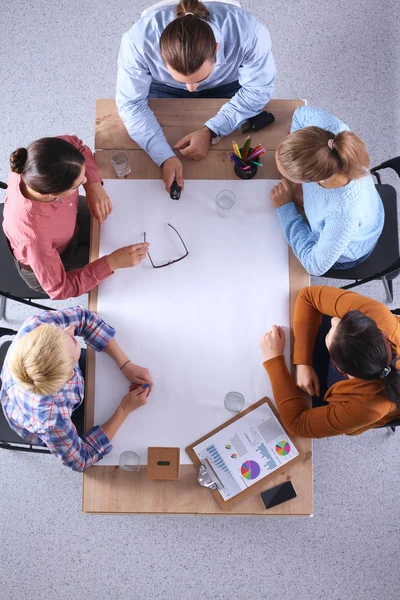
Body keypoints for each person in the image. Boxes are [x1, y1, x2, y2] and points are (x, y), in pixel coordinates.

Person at [116, 0, 276, 193]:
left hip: (226, 84)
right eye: (183, 80)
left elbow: (257, 91)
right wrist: (164, 156)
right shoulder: (137, 42)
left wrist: (212, 130)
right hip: (164, 86)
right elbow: (131, 103)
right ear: (160, 54)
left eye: (200, 78)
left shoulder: (251, 34)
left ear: (216, 48)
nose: (191, 90)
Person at [0, 307, 152, 472]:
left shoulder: (37, 327)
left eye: (62, 332)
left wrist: (125, 364)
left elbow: (84, 318)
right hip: (34, 416)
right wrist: (124, 410)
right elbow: (82, 459)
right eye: (72, 338)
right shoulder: (52, 420)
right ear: (70, 373)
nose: (70, 329)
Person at [3, 136, 150, 299]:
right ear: (52, 194)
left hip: (67, 226)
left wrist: (92, 185)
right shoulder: (34, 236)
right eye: (77, 185)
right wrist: (112, 262)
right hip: (55, 263)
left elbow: (77, 145)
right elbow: (61, 289)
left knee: (118, 226)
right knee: (119, 279)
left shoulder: (38, 160)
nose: (85, 179)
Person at [259, 286, 400, 438]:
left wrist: (273, 359)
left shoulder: (367, 407)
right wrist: (302, 362)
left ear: (340, 370)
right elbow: (308, 296)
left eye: (330, 335)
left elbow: (297, 424)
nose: (334, 319)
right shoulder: (379, 314)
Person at [270, 106, 384, 276]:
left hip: (349, 250)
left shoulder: (343, 214)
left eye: (290, 177)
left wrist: (286, 209)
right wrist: (297, 183)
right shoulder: (330, 133)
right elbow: (300, 114)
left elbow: (315, 266)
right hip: (359, 213)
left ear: (316, 180)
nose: (283, 177)